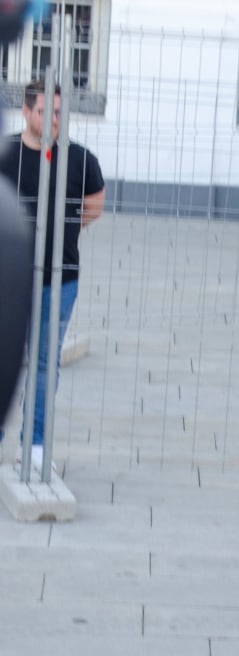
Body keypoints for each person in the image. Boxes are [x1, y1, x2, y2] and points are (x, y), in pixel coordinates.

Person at [0, 80, 105, 472]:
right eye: (46, 111)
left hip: (58, 279)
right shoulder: (7, 155)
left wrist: (62, 229)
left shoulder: (79, 159)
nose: (53, 120)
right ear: (27, 112)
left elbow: (94, 204)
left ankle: (36, 445)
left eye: (60, 112)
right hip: (8, 279)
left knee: (45, 365)